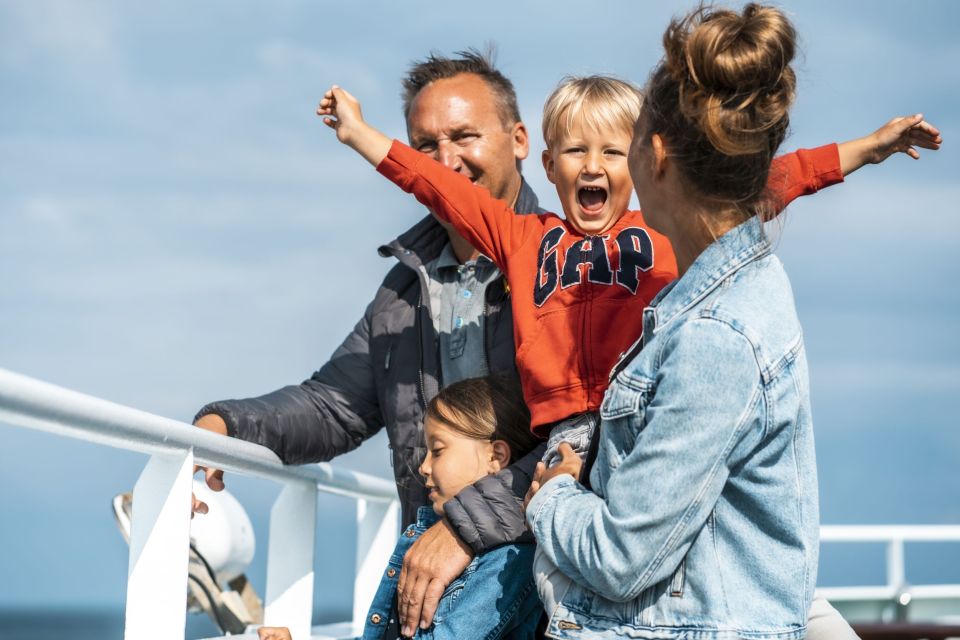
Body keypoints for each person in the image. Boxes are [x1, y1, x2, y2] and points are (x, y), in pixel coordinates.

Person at [522, 4, 940, 638]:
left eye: (624, 141)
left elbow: (620, 557)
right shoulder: (730, 298)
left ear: (655, 156)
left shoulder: (715, 335)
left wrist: (550, 495)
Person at [259, 376, 543, 640]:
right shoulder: (428, 539)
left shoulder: (510, 562)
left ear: (496, 456)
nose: (424, 467)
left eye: (438, 450)